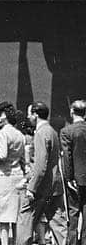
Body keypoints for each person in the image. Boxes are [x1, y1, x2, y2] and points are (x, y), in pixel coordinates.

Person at [19, 102, 67, 245]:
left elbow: (40, 165)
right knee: (59, 226)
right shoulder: (52, 131)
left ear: (35, 114)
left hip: (41, 188)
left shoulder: (41, 133)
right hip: (54, 186)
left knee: (25, 222)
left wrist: (31, 187)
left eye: (29, 113)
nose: (28, 117)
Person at [0, 102, 27, 245]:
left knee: (4, 216)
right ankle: (16, 242)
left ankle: (4, 242)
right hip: (17, 175)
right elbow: (23, 159)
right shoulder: (20, 135)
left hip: (4, 175)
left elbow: (2, 155)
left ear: (5, 116)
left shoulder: (3, 133)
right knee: (15, 214)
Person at [61, 99, 86, 245]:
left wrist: (69, 178)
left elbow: (67, 158)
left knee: (73, 212)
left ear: (71, 112)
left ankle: (72, 242)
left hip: (75, 178)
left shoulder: (66, 131)